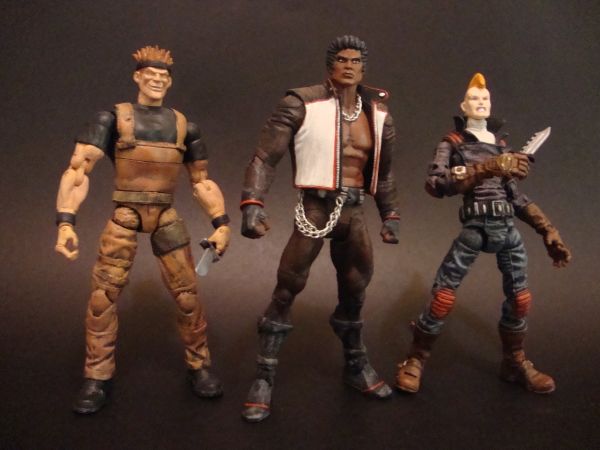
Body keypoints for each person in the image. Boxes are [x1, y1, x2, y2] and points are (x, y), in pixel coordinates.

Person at [55, 46, 230, 414]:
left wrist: (221, 223)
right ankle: (97, 375)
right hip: (125, 214)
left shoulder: (184, 126)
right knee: (103, 297)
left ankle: (199, 365)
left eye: (163, 76)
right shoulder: (112, 119)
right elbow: (78, 170)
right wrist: (66, 221)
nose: (157, 81)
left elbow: (202, 181)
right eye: (150, 75)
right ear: (137, 76)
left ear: (170, 81)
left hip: (166, 215)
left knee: (187, 295)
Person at [240, 35, 401, 422]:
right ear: (330, 65)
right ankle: (263, 376)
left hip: (355, 210)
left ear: (364, 67)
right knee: (286, 288)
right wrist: (252, 203)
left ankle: (356, 364)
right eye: (342, 59)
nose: (349, 66)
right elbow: (265, 156)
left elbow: (384, 172)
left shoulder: (378, 114)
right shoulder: (301, 102)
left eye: (356, 60)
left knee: (356, 290)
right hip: (315, 207)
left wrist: (390, 214)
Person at [395, 73, 571, 395]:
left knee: (520, 299)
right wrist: (487, 168)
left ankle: (514, 361)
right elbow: (437, 185)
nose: (480, 102)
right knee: (443, 296)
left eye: (485, 98)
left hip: (506, 228)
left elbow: (516, 197)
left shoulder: (501, 146)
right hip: (475, 228)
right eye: (474, 98)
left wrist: (548, 230)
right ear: (463, 106)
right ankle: (416, 358)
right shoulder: (452, 143)